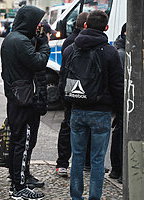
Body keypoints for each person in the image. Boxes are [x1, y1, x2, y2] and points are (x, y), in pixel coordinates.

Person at [59, 10, 123, 199]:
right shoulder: (110, 52)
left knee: (77, 158)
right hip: (101, 112)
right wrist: (119, 112)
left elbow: (63, 81)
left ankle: (76, 197)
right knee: (97, 160)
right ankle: (94, 197)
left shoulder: (70, 49)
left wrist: (68, 106)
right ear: (106, 28)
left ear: (85, 26)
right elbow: (118, 86)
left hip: (77, 110)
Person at [1, 5, 50, 200]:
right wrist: (44, 44)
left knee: (16, 141)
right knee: (23, 142)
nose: (39, 26)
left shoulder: (11, 39)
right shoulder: (21, 41)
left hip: (15, 98)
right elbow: (38, 62)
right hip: (24, 101)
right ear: (29, 22)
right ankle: (20, 187)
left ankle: (16, 183)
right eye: (36, 22)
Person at [56, 12, 90, 177]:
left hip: (70, 87)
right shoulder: (73, 42)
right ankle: (67, 162)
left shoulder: (69, 41)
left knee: (69, 125)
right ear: (85, 25)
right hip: (78, 88)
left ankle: (63, 163)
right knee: (71, 126)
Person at [109, 23, 126, 184]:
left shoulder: (119, 50)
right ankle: (118, 169)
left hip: (122, 101)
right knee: (121, 133)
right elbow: (119, 82)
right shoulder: (121, 54)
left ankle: (117, 169)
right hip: (124, 102)